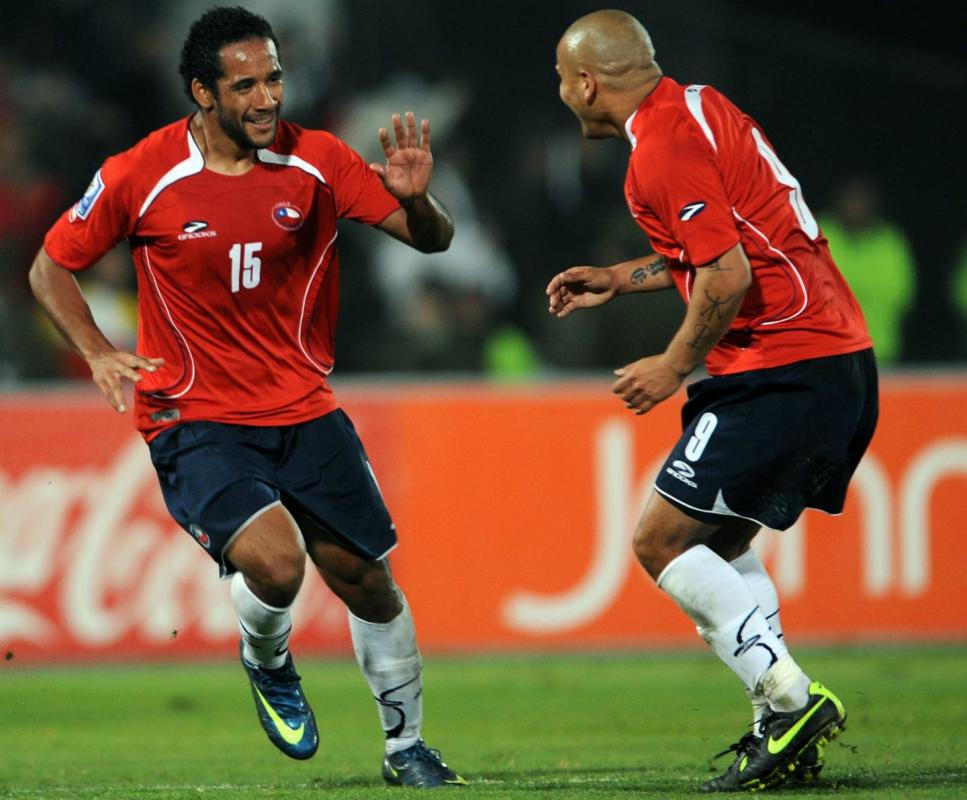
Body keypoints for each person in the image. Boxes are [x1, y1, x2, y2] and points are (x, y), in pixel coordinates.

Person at [29, 6, 465, 789]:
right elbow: (49, 267)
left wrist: (418, 200)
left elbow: (431, 240)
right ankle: (267, 658)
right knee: (275, 564)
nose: (266, 99)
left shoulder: (318, 159)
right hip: (193, 415)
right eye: (245, 86)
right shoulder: (142, 172)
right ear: (203, 92)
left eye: (273, 79)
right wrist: (95, 350)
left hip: (304, 407)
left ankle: (406, 748)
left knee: (367, 580)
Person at [546, 10, 877, 793]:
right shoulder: (700, 105)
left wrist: (671, 365)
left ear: (586, 83)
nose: (560, 94)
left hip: (783, 365)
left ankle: (790, 701)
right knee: (717, 545)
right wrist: (620, 277)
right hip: (834, 360)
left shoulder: (657, 151)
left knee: (660, 542)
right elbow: (719, 245)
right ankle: (779, 727)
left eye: (560, 80)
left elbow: (726, 275)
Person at [819, 176, 915, 365]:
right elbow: (807, 290)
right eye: (850, 200)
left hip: (880, 352)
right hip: (825, 351)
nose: (856, 207)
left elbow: (901, 294)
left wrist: (844, 290)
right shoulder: (817, 232)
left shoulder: (890, 240)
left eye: (862, 201)